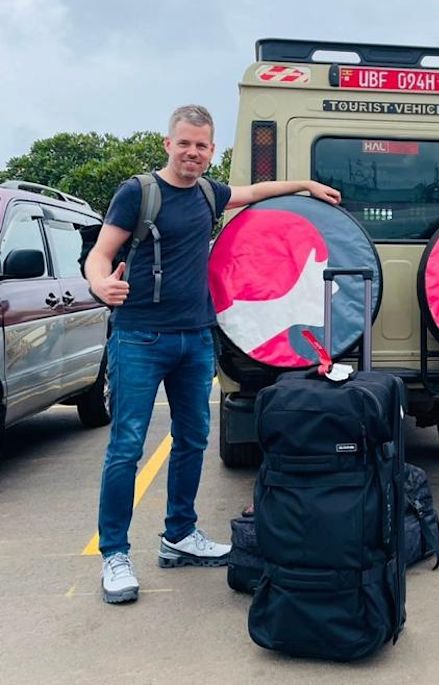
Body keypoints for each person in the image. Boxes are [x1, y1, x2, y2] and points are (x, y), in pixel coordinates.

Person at [85, 105, 341, 604]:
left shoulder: (209, 192)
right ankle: (114, 553)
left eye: (202, 146)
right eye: (185, 144)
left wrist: (305, 185)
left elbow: (253, 193)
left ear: (211, 150)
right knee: (126, 448)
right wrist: (100, 282)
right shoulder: (139, 192)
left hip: (196, 337)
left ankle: (179, 535)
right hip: (140, 337)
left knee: (193, 440)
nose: (193, 153)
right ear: (168, 144)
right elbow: (102, 250)